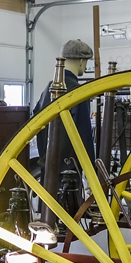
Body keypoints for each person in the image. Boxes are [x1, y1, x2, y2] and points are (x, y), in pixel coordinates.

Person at [32, 39, 96, 177]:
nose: (85, 67)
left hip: (47, 163)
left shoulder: (47, 89)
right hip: (70, 168)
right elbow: (84, 133)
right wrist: (91, 169)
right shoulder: (78, 92)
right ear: (80, 61)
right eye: (86, 62)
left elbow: (37, 126)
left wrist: (44, 155)